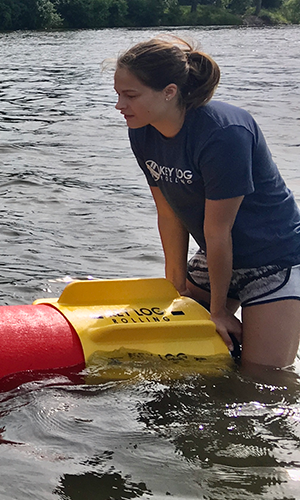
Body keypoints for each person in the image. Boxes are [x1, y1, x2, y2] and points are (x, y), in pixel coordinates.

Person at [115, 35, 300, 368]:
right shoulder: (142, 130)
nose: (119, 105)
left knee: (262, 377)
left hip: (275, 259)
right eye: (118, 94)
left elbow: (218, 230)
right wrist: (175, 291)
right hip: (217, 254)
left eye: (130, 95)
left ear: (169, 92)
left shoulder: (223, 133)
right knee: (175, 356)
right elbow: (169, 215)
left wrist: (217, 311)